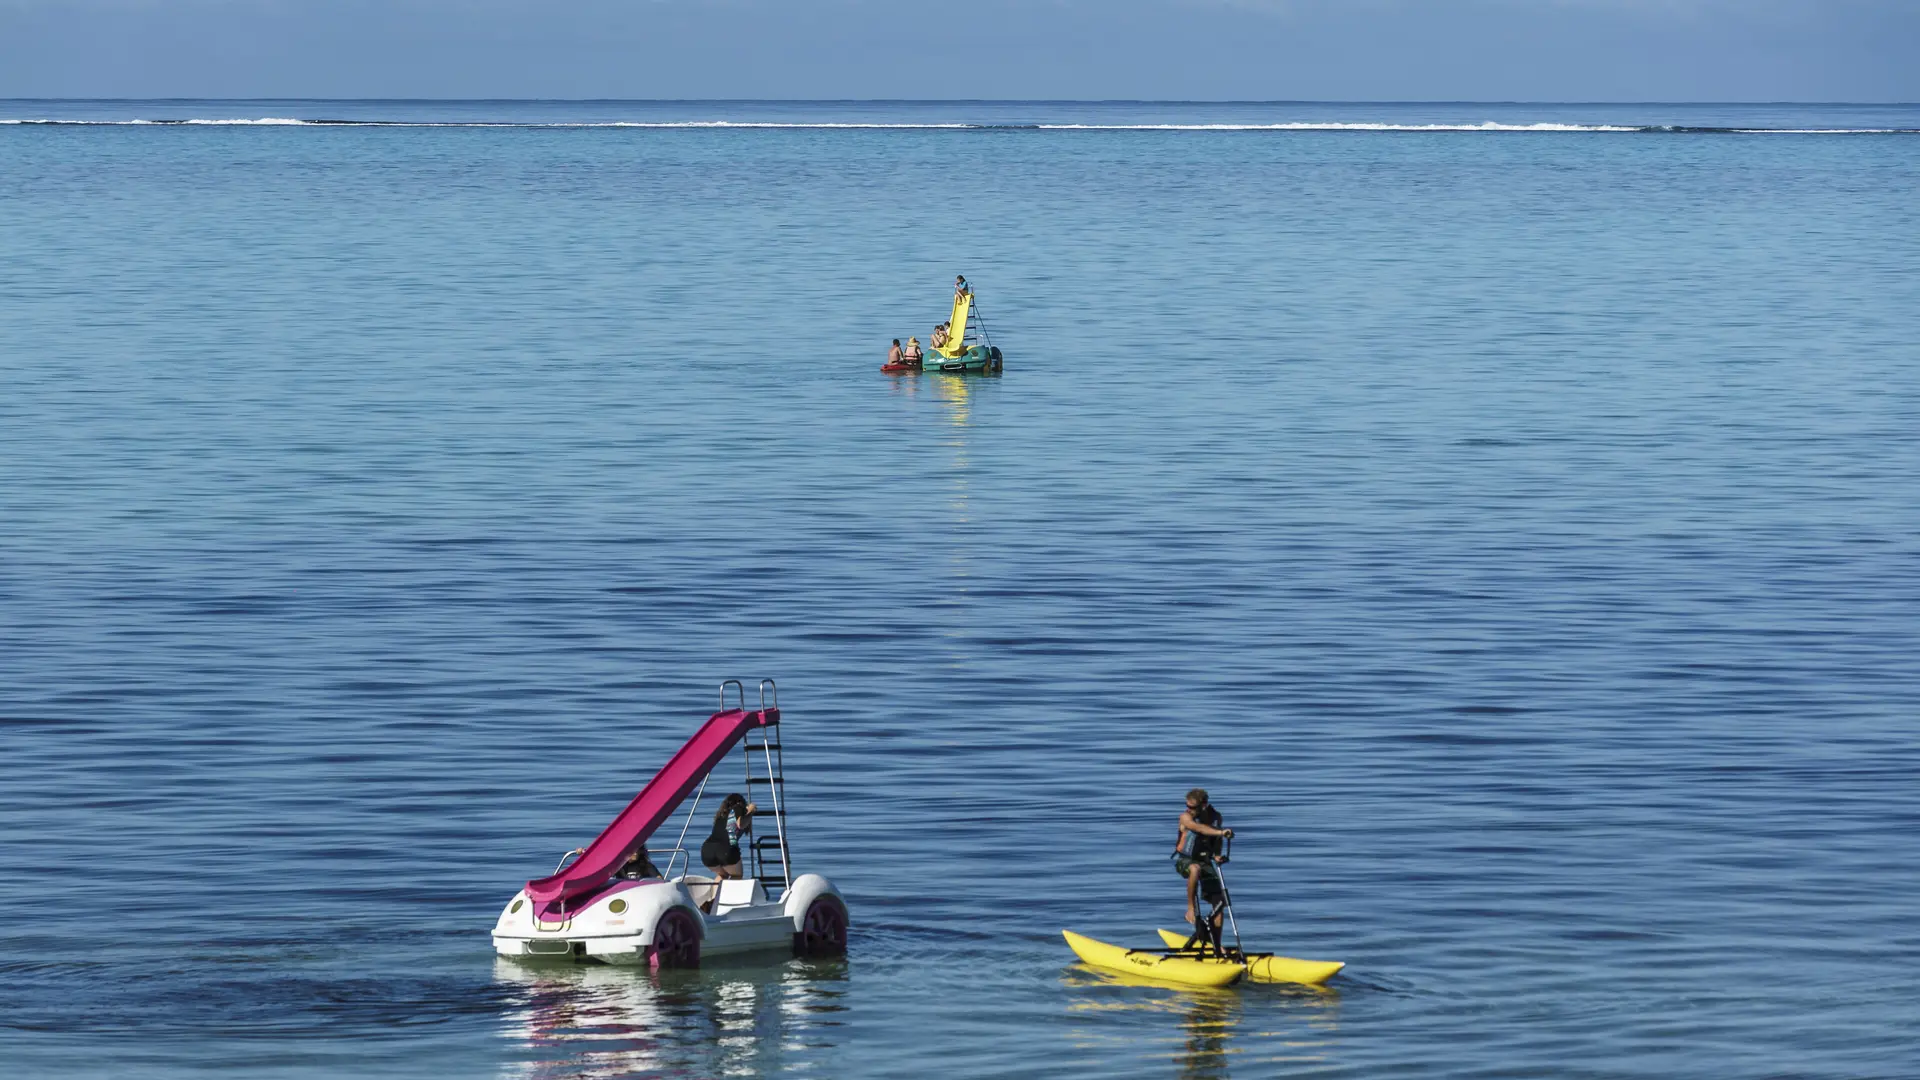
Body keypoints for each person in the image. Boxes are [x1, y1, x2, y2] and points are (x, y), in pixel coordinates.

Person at [1173, 788, 1233, 932]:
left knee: (1219, 903)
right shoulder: (1185, 817)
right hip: (1185, 860)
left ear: (1204, 805)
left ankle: (1216, 945)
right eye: (1187, 806)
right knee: (1195, 868)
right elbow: (1198, 828)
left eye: (1192, 807)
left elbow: (1216, 841)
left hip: (1205, 861)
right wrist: (1221, 832)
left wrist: (1217, 855)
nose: (1189, 809)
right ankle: (1190, 908)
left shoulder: (1215, 816)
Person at [701, 792, 756, 882]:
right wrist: (751, 811)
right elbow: (740, 824)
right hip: (725, 849)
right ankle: (729, 896)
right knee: (737, 876)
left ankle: (714, 896)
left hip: (707, 850)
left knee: (723, 875)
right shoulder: (738, 807)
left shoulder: (721, 815)